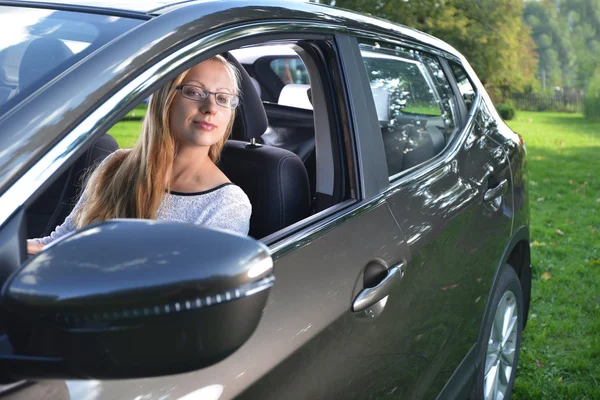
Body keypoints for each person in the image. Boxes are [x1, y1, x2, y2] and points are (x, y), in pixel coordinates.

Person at [27, 55, 251, 255]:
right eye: (194, 92)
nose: (210, 107)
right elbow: (58, 244)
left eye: (222, 98)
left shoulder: (226, 204)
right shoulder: (116, 166)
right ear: (165, 98)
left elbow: (186, 293)